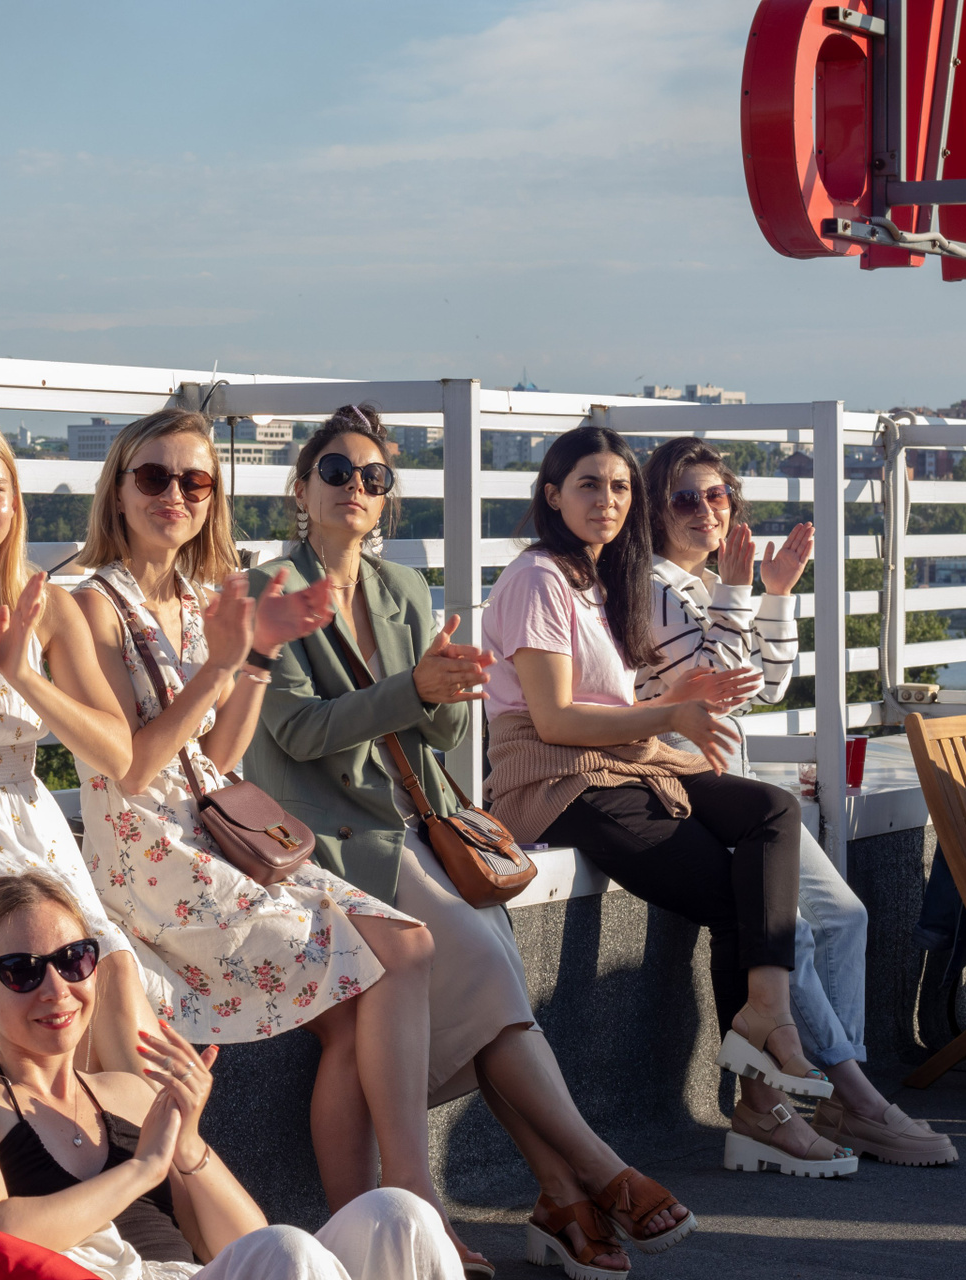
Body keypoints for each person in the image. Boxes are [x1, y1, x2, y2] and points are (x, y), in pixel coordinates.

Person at [241, 404, 695, 1275]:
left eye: (373, 477)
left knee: (493, 978)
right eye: (336, 471)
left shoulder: (403, 590)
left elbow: (444, 738)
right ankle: (592, 1171)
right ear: (301, 487)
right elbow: (296, 732)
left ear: (386, 498)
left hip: (416, 826)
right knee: (487, 967)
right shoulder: (270, 590)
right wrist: (415, 690)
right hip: (329, 839)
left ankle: (559, 1191)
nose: (355, 487)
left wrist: (448, 695)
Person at [69, 408, 484, 1272]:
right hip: (151, 849)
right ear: (119, 489)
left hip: (216, 828)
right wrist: (230, 659)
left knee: (370, 996)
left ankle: (369, 1228)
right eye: (154, 477)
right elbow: (136, 767)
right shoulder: (91, 605)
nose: (176, 494)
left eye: (195, 480)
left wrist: (254, 656)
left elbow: (220, 754)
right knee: (400, 952)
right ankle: (412, 1207)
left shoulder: (199, 599)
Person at [483, 426, 856, 1179]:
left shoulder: (599, 580)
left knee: (772, 812)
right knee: (737, 894)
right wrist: (675, 712)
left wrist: (679, 699)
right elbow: (553, 720)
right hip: (556, 779)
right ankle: (761, 1107)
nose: (607, 500)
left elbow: (657, 698)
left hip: (622, 759)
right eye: (589, 484)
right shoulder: (538, 578)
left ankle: (767, 1014)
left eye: (619, 486)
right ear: (552, 495)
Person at [636, 436, 956, 1166]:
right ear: (654, 510)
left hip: (740, 782)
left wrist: (774, 593)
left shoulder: (705, 586)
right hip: (689, 784)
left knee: (845, 915)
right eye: (685, 498)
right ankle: (858, 1099)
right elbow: (719, 684)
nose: (706, 510)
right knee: (798, 935)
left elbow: (772, 685)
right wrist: (739, 592)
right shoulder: (651, 587)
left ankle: (839, 1097)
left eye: (717, 495)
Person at [0, 872, 459, 1280]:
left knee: (401, 1215)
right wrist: (143, 1168)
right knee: (287, 1252)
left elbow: (250, 1241)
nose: (56, 989)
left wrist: (188, 1145)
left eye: (74, 960)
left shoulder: (127, 1092)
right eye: (22, 971)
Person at [0, 411, 157, 1073]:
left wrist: (23, 675)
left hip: (29, 821)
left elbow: (117, 753)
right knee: (39, 973)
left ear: (15, 501)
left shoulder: (45, 603)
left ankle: (146, 1133)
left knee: (109, 966)